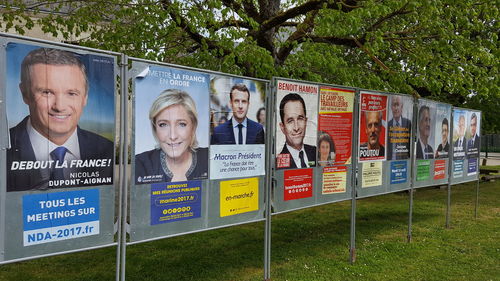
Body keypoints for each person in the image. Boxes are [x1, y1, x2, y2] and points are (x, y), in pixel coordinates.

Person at [7, 48, 114, 192]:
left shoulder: (106, 149)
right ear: (25, 93)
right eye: (46, 92)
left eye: (71, 93)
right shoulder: (4, 149)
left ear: (85, 97)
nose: (60, 106)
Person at [135, 89, 208, 183]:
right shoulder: (140, 164)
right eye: (163, 125)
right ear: (155, 129)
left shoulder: (210, 158)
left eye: (181, 124)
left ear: (193, 127)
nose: (173, 136)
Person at [277, 93, 316, 168]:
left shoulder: (316, 152)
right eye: (290, 121)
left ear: (306, 121)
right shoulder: (277, 162)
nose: (296, 127)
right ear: (282, 127)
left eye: (300, 118)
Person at [387, 96, 411, 160]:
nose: (396, 108)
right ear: (391, 107)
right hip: (390, 162)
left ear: (402, 107)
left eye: (398, 105)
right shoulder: (387, 125)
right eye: (394, 105)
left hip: (404, 163)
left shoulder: (408, 123)